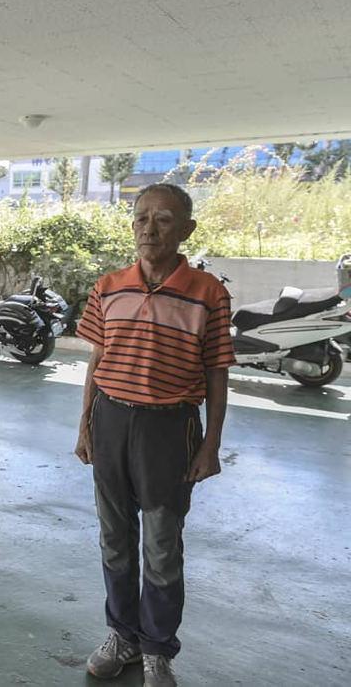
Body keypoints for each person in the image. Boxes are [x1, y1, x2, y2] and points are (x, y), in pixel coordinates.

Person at [73, 183, 235, 687]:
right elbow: (97, 360)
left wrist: (210, 444)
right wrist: (85, 422)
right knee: (114, 537)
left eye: (163, 219)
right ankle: (121, 634)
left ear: (186, 229)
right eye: (141, 217)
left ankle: (157, 648)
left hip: (170, 427)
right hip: (111, 421)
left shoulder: (209, 292)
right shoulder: (109, 286)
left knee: (162, 543)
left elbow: (217, 373)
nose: (149, 227)